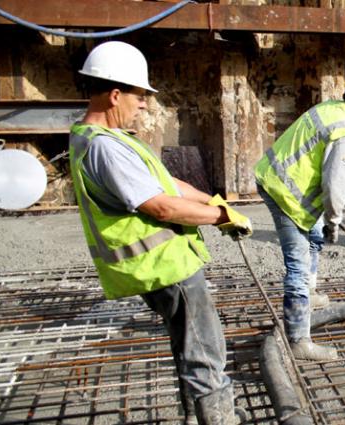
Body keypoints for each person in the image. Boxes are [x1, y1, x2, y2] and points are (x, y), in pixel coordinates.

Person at [68, 41, 252, 425]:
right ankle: (217, 419)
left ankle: (198, 415)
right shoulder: (105, 148)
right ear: (115, 94)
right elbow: (160, 205)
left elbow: (168, 183)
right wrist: (218, 216)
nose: (145, 104)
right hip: (164, 266)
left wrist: (220, 205)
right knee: (205, 348)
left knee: (190, 344)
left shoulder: (105, 139)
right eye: (139, 96)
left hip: (166, 265)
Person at [254, 68, 345, 360]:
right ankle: (299, 340)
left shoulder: (329, 109)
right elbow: (335, 186)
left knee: (314, 235)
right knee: (298, 267)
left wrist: (324, 223)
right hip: (286, 195)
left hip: (276, 178)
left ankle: (310, 295)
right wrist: (335, 222)